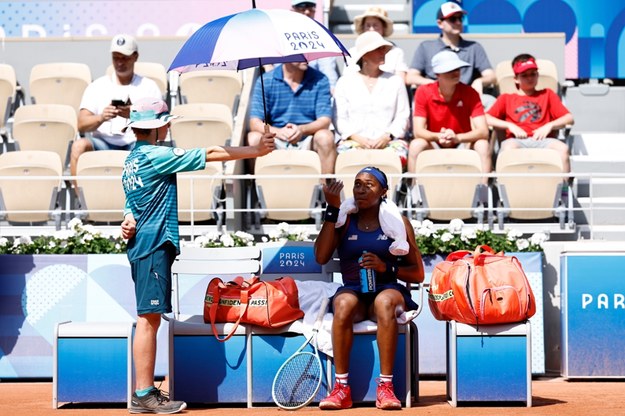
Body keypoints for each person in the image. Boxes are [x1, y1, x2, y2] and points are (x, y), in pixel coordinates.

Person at [120, 97, 275, 414]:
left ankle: (145, 392)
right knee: (148, 320)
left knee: (149, 319)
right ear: (160, 126)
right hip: (153, 245)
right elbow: (211, 153)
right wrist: (255, 151)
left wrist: (128, 216)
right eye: (167, 122)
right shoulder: (156, 155)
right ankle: (143, 394)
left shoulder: (133, 157)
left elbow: (131, 197)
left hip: (144, 244)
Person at [314, 167, 424, 410]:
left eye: (369, 185)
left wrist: (386, 267)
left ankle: (386, 387)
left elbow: (417, 274)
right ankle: (341, 388)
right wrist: (332, 210)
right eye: (357, 184)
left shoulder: (398, 222)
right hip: (354, 291)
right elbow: (321, 256)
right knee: (342, 303)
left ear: (383, 191)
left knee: (384, 302)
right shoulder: (344, 220)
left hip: (388, 289)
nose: (361, 189)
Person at [71, 34, 161, 193]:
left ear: (135, 57)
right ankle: (83, 204)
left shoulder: (149, 87)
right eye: (115, 58)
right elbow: (81, 124)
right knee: (79, 146)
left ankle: (144, 206)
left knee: (149, 150)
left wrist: (132, 114)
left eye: (124, 58)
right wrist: (101, 117)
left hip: (136, 143)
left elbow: (159, 124)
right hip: (103, 143)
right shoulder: (97, 86)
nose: (119, 63)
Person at [408, 50, 491, 179]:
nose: (456, 73)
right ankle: (414, 192)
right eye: (449, 70)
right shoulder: (423, 92)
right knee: (416, 145)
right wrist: (438, 136)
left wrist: (457, 138)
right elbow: (418, 131)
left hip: (463, 143)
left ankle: (483, 193)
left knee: (483, 145)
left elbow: (483, 131)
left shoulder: (470, 93)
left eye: (457, 68)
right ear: (437, 74)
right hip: (435, 143)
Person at [486, 54, 574, 173]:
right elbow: (486, 118)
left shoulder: (547, 94)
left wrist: (550, 125)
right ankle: (509, 189)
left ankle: (563, 189)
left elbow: (569, 118)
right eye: (524, 75)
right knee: (508, 148)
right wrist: (510, 125)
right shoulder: (506, 98)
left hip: (543, 140)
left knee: (563, 149)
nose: (530, 78)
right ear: (516, 79)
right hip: (516, 140)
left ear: (538, 75)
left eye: (533, 74)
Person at [334, 31, 410, 167]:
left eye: (383, 49)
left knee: (398, 155)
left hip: (389, 141)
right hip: (353, 141)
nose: (383, 52)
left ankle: (396, 189)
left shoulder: (395, 81)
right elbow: (339, 118)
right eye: (378, 49)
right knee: (345, 156)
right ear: (364, 55)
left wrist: (387, 136)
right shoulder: (345, 82)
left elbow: (402, 115)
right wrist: (357, 138)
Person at [246, 61, 336, 174]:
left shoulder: (321, 80)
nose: (306, 57)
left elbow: (324, 121)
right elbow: (255, 123)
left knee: (325, 138)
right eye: (300, 53)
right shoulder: (266, 80)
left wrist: (301, 130)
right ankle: (259, 189)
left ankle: (326, 189)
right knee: (253, 139)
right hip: (275, 139)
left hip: (309, 138)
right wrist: (278, 132)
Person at [406, 2, 495, 101]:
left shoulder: (474, 47)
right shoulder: (426, 47)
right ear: (440, 23)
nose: (458, 22)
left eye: (460, 18)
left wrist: (479, 81)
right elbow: (411, 77)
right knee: (418, 102)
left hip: (465, 97)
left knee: (489, 101)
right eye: (453, 19)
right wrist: (436, 84)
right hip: (434, 97)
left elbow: (491, 76)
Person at [346, 6, 409, 84]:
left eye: (375, 25)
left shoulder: (396, 52)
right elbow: (347, 80)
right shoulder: (352, 52)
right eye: (368, 25)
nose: (371, 29)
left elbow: (400, 82)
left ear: (383, 28)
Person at [290, 0, 340, 93]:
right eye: (302, 7)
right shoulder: (281, 35)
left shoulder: (323, 37)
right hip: (283, 91)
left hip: (314, 91)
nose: (307, 12)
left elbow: (329, 78)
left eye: (311, 7)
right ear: (292, 10)